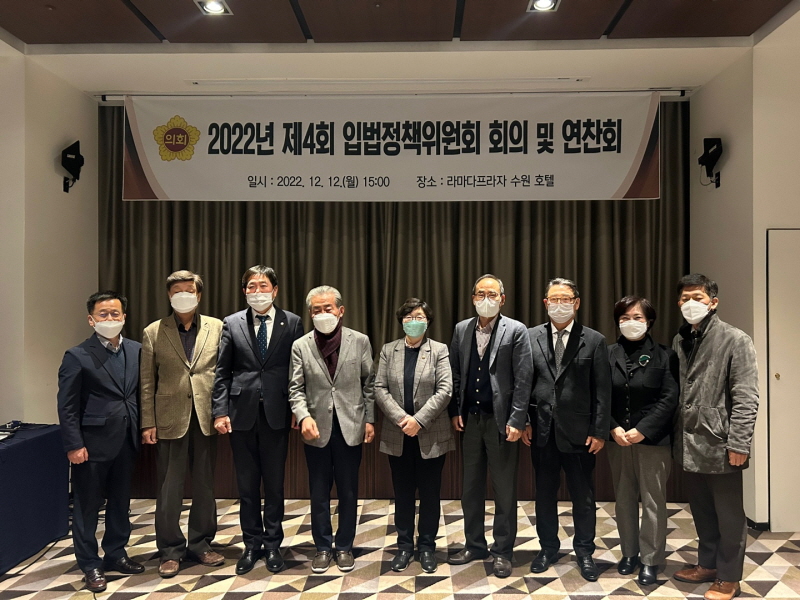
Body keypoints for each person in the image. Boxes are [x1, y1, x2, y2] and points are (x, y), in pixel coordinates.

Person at [212, 266, 304, 574]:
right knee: (247, 485)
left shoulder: (292, 322)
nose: (257, 291)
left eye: (263, 286)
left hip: (278, 412)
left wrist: (298, 409)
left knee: (275, 485)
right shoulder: (232, 323)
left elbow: (298, 370)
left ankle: (273, 544)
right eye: (251, 286)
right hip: (241, 413)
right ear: (244, 291)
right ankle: (251, 545)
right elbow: (222, 371)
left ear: (275, 290)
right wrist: (220, 411)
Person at [671, 274, 758, 600]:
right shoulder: (681, 340)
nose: (690, 303)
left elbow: (746, 396)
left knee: (729, 515)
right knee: (703, 511)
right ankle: (707, 565)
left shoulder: (735, 339)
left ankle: (729, 577)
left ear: (713, 302)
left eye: (698, 297)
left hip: (721, 443)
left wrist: (739, 442)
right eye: (685, 298)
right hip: (689, 442)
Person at [524, 277, 611, 582]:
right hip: (542, 430)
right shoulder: (530, 337)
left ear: (576, 303)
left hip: (580, 434)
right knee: (544, 495)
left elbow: (602, 391)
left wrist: (599, 431)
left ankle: (584, 552)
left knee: (583, 497)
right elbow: (524, 384)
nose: (559, 305)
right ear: (545, 303)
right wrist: (524, 421)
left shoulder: (595, 340)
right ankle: (547, 548)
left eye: (565, 299)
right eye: (554, 299)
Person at [57, 291, 145, 593]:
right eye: (103, 314)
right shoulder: (77, 355)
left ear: (124, 317)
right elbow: (67, 405)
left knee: (121, 502)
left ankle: (116, 553)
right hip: (91, 444)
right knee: (87, 507)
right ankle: (90, 564)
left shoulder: (136, 350)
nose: (110, 318)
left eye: (115, 313)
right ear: (91, 319)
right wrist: (73, 444)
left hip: (127, 439)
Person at [447, 274, 533, 579]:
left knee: (504, 489)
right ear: (473, 298)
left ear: (502, 299)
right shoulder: (462, 329)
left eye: (492, 294)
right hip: (470, 420)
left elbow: (523, 379)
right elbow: (456, 373)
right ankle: (474, 545)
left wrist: (517, 419)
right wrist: (455, 410)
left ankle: (503, 551)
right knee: (470, 487)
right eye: (481, 294)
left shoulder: (517, 330)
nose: (487, 299)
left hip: (502, 422)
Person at [140, 270, 224, 578]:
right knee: (169, 488)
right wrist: (147, 422)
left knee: (204, 486)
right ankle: (170, 550)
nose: (183, 296)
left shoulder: (217, 327)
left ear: (199, 295)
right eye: (177, 291)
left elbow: (223, 374)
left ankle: (201, 544)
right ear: (169, 295)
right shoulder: (153, 331)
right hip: (168, 419)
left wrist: (221, 411)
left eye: (189, 291)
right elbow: (147, 382)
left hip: (205, 418)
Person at [288, 285, 375, 574]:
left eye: (328, 308)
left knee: (348, 491)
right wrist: (302, 417)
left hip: (351, 426)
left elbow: (369, 384)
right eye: (317, 310)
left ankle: (345, 546)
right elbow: (295, 389)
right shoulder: (300, 346)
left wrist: (370, 419)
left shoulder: (359, 341)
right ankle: (323, 547)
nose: (323, 314)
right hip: (316, 429)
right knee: (318, 492)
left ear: (341, 310)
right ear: (310, 313)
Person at [374, 298, 454, 574]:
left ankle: (427, 547)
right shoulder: (389, 350)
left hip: (430, 433)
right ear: (401, 321)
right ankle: (405, 546)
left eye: (419, 317)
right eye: (408, 317)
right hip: (398, 434)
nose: (413, 321)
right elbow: (379, 388)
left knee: (430, 494)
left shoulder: (439, 350)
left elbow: (445, 389)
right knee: (403, 494)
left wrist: (418, 420)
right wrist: (402, 419)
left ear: (428, 321)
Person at [606, 296, 679, 585]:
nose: (631, 323)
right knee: (623, 499)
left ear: (649, 321)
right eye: (624, 318)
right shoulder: (607, 354)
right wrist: (613, 428)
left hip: (653, 441)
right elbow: (600, 396)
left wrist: (643, 430)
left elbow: (669, 398)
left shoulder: (665, 355)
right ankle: (629, 553)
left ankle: (651, 559)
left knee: (652, 501)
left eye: (637, 317)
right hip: (618, 440)